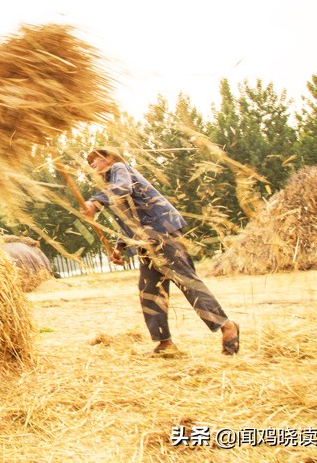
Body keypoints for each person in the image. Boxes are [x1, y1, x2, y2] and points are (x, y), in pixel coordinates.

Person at [81, 146, 240, 356]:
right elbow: (128, 218)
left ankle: (226, 325)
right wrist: (120, 246)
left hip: (161, 232)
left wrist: (94, 202)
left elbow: (123, 189)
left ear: (109, 158)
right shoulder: (112, 185)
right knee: (150, 290)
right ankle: (164, 343)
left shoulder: (120, 169)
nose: (92, 163)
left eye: (96, 159)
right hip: (145, 241)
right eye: (89, 161)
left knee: (185, 280)